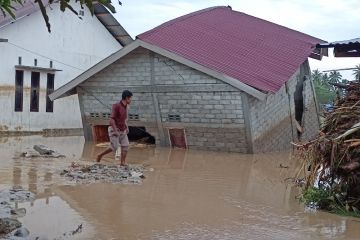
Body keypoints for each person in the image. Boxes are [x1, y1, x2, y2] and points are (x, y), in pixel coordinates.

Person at [96, 90, 133, 166]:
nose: (131, 100)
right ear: (126, 98)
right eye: (130, 98)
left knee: (126, 146)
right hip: (114, 129)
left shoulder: (126, 107)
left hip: (123, 130)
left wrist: (127, 127)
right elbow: (111, 120)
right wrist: (115, 131)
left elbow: (125, 119)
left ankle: (122, 163)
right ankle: (100, 155)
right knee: (114, 147)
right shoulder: (116, 106)